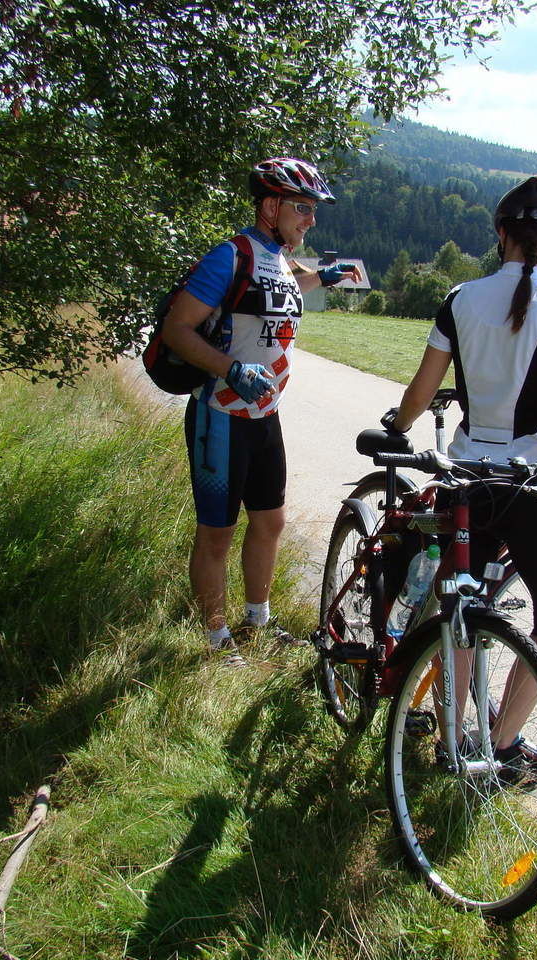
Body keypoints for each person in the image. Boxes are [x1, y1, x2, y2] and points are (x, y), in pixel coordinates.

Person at [384, 174, 537, 776]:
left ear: (501, 235)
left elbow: (422, 393)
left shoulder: (459, 300)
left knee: (458, 610)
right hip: (532, 485)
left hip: (466, 479)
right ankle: (501, 740)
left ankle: (451, 740)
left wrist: (396, 424)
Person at [162, 157, 362, 662]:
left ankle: (257, 622)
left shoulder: (280, 259)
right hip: (220, 417)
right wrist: (230, 369)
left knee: (270, 523)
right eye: (303, 208)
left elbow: (284, 287)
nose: (311, 219)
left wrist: (326, 277)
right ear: (271, 205)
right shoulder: (228, 258)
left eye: (314, 210)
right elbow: (177, 330)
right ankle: (214, 638)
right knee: (217, 533)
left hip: (265, 418)